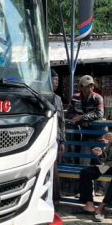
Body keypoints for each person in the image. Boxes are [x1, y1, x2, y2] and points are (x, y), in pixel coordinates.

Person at [66, 75, 105, 165]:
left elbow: (99, 114)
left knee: (100, 160)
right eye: (87, 86)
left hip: (99, 134)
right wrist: (80, 119)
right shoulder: (75, 98)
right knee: (84, 160)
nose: (90, 88)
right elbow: (69, 114)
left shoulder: (98, 98)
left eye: (91, 86)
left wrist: (81, 117)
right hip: (86, 134)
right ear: (81, 87)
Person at [51, 69, 66, 204]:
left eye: (57, 80)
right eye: (54, 79)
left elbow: (62, 122)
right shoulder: (40, 96)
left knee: (54, 167)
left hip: (56, 138)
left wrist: (62, 140)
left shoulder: (58, 99)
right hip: (43, 139)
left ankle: (55, 197)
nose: (56, 82)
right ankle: (54, 197)